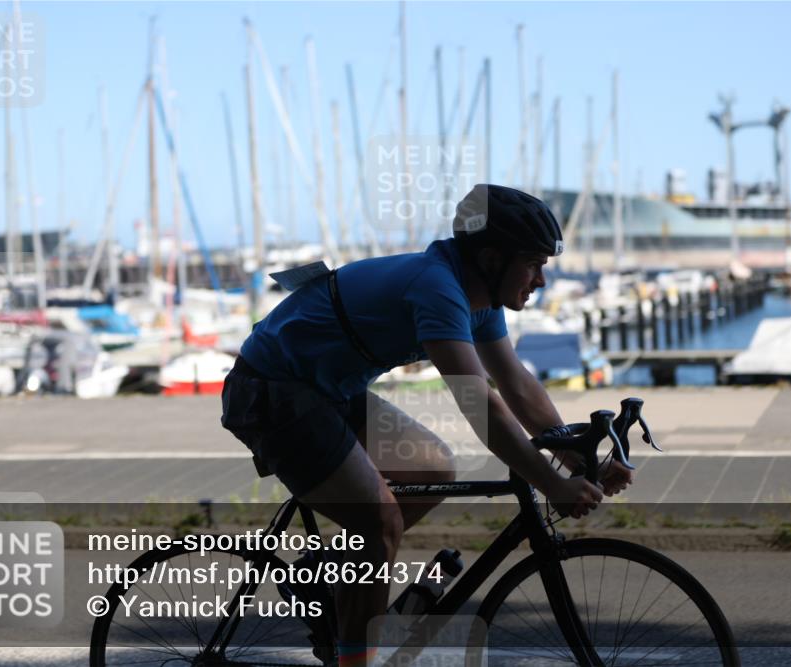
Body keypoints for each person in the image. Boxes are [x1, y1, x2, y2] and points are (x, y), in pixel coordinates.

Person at [220, 184, 633, 667]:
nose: (540, 279)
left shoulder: (479, 297)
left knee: (434, 468)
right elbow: (480, 404)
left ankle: (332, 575)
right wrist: (549, 481)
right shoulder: (438, 288)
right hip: (271, 390)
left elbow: (517, 385)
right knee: (380, 522)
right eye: (533, 263)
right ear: (493, 258)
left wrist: (578, 461)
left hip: (328, 388)